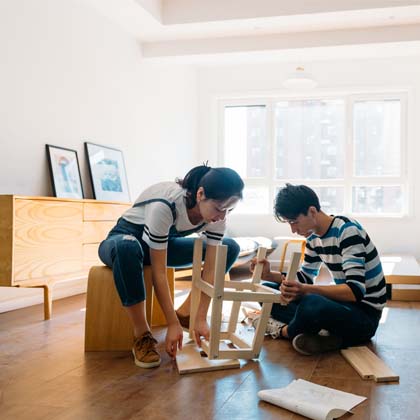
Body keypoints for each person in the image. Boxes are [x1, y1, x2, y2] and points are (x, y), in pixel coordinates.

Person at [98, 165, 244, 368]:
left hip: (163, 243)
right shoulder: (165, 205)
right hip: (124, 241)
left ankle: (187, 313)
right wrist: (171, 323)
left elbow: (211, 267)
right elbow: (159, 272)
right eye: (219, 209)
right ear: (201, 194)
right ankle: (142, 335)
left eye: (229, 210)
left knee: (228, 248)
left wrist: (200, 317)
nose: (222, 216)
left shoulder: (218, 217)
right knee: (128, 247)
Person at [251, 184, 386, 356]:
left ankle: (284, 331)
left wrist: (306, 291)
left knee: (312, 303)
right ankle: (325, 334)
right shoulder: (313, 238)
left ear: (312, 211)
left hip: (364, 317)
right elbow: (304, 278)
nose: (293, 230)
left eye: (294, 222)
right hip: (341, 307)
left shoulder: (347, 231)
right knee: (268, 290)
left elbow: (355, 291)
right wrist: (270, 275)